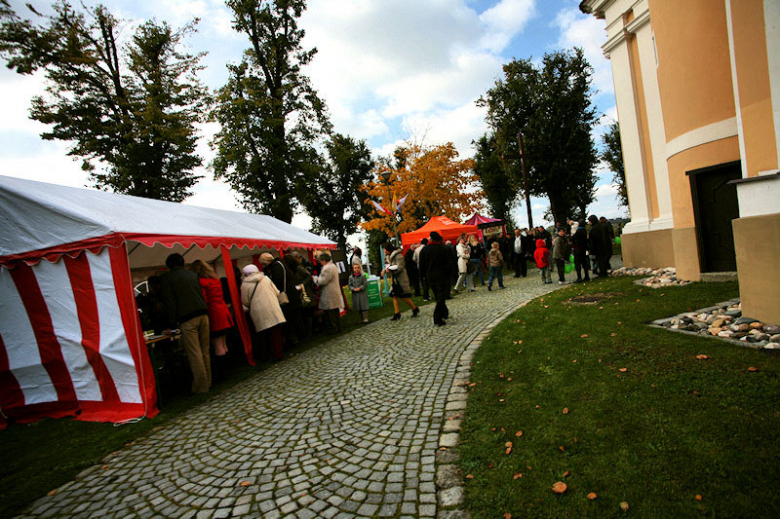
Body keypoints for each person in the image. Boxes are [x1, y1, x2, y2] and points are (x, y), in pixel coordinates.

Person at [159, 253, 211, 394]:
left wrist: (172, 323)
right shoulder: (192, 275)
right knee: (205, 350)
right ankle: (208, 380)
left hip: (187, 318)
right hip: (203, 313)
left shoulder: (167, 278)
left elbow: (170, 302)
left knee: (195, 353)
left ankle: (201, 386)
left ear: (169, 265)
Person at [190, 260, 234, 359]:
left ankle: (222, 369)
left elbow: (204, 300)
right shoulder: (215, 280)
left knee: (217, 344)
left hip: (214, 314)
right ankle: (229, 364)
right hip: (223, 311)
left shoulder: (201, 282)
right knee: (223, 342)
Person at [241, 264, 285, 360]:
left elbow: (245, 301)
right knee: (275, 332)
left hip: (257, 310)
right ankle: (278, 353)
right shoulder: (266, 279)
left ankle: (265, 355)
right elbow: (277, 292)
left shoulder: (244, 285)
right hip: (272, 306)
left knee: (263, 335)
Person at [260, 252, 301, 347]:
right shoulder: (278, 264)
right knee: (293, 317)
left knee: (291, 318)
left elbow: (278, 282)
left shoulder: (276, 266)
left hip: (287, 295)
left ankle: (294, 338)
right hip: (290, 293)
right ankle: (296, 336)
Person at [418, 231, 454, 326]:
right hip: (443, 276)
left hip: (430, 276)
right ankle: (437, 318)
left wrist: (422, 277)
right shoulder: (445, 249)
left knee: (438, 295)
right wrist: (451, 274)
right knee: (441, 296)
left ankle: (444, 312)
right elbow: (450, 263)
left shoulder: (425, 250)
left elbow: (421, 265)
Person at [381, 243, 420, 321]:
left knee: (402, 296)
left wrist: (391, 270)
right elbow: (390, 266)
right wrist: (386, 270)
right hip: (395, 279)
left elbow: (400, 267)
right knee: (393, 295)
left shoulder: (398, 256)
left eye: (384, 249)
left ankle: (414, 308)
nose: (384, 251)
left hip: (400, 278)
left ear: (387, 249)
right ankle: (397, 313)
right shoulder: (389, 256)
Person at [288, 252, 316, 340]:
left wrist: (302, 285)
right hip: (299, 294)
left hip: (305, 293)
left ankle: (310, 332)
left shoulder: (299, 269)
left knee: (308, 312)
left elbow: (309, 276)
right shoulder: (293, 270)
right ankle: (307, 332)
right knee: (305, 313)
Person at [313, 252, 342, 334]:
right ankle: (338, 327)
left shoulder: (326, 268)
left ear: (323, 260)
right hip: (334, 292)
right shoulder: (333, 266)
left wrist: (315, 278)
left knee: (330, 313)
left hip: (329, 293)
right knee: (335, 311)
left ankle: (333, 328)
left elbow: (321, 281)